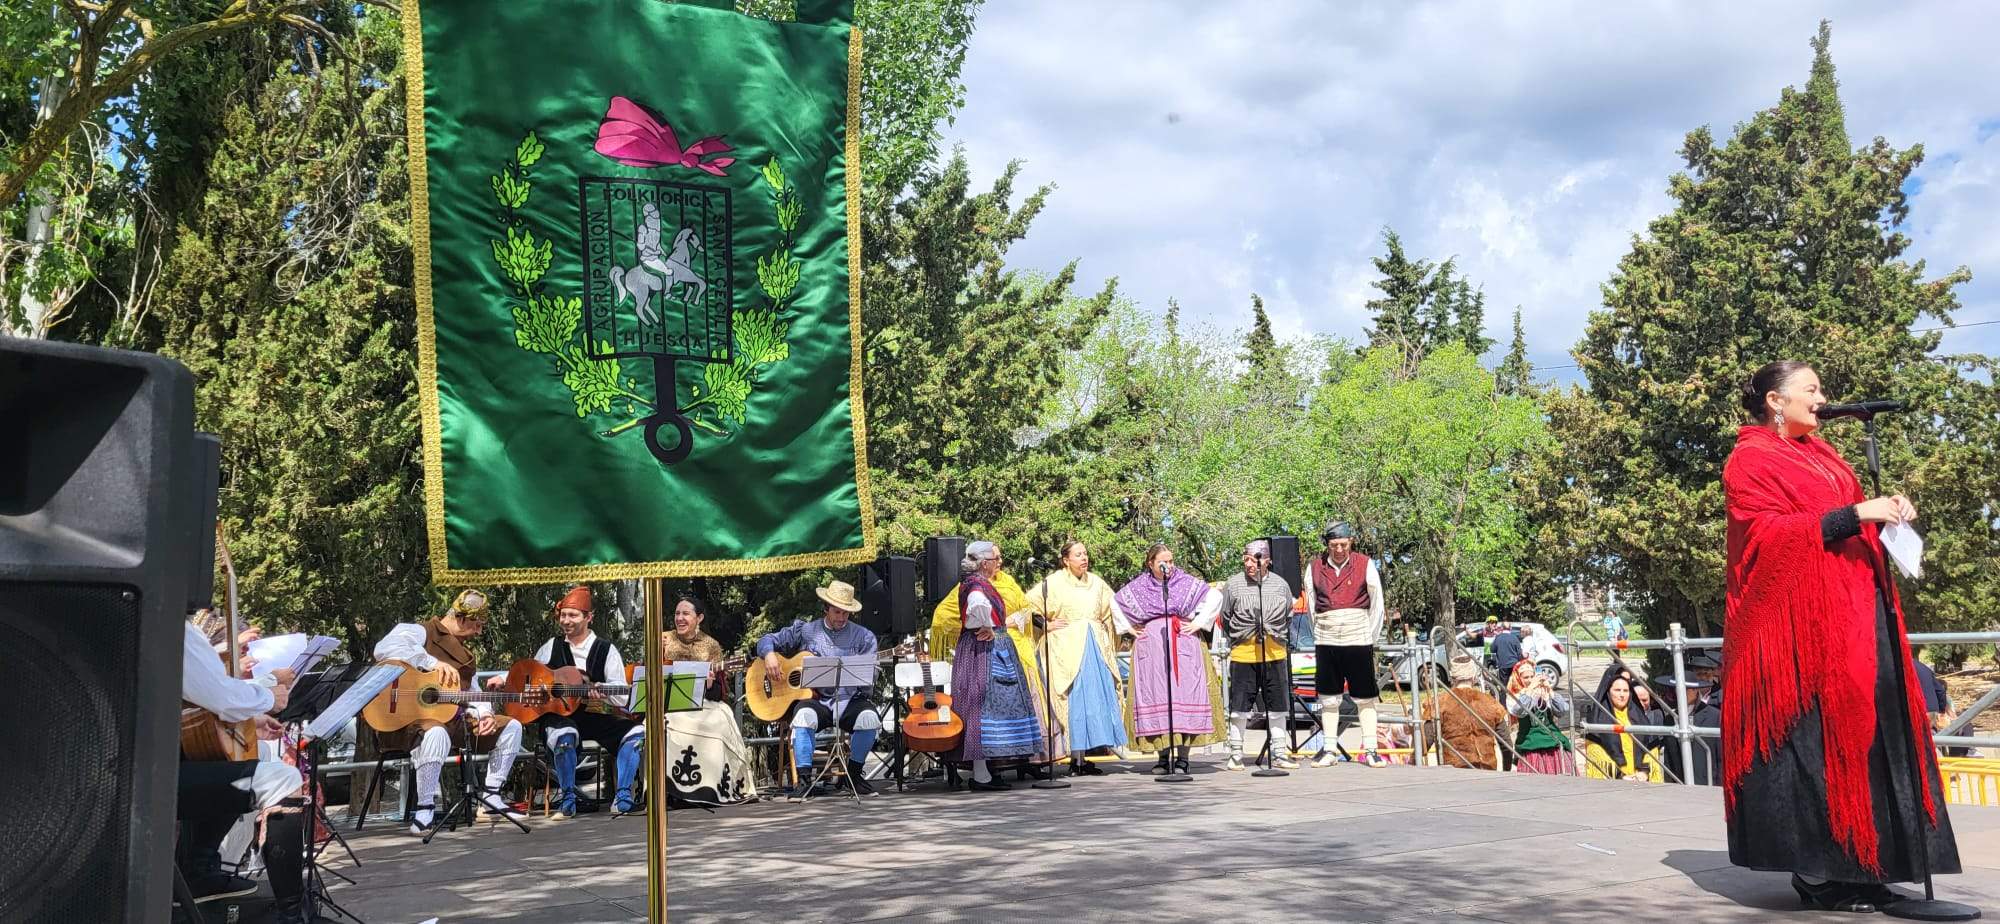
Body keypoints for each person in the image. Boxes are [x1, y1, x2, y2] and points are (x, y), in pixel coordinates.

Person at [1723, 361, 1959, 912]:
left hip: (1857, 610)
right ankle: (1823, 873)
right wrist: (1854, 513)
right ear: (1776, 401)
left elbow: (1849, 520)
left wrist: (1887, 513)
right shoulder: (1750, 459)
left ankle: (1872, 864)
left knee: (1878, 730)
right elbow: (1766, 536)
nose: (1822, 398)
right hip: (1801, 629)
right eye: (1811, 390)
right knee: (1815, 741)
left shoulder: (1826, 455)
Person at [178, 618, 319, 921]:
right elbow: (219, 694)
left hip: (124, 771)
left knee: (233, 765)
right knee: (282, 777)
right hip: (150, 780)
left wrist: (250, 719)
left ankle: (200, 867)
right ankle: (291, 915)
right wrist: (268, 694)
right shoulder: (171, 623)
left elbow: (189, 704)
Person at [372, 589, 528, 835]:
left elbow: (472, 690)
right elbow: (384, 647)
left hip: (455, 720)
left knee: (511, 727)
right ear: (462, 617)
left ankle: (491, 799)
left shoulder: (466, 655)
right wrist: (432, 663)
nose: (478, 631)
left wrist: (484, 714)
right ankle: (425, 809)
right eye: (477, 625)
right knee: (437, 734)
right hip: (408, 721)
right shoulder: (423, 631)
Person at [496, 585, 638, 816]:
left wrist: (603, 692)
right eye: (563, 615)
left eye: (572, 615)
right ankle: (568, 797)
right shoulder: (551, 647)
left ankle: (622, 796)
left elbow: (621, 694)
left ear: (588, 617)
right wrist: (504, 678)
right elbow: (531, 671)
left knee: (636, 734)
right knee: (564, 738)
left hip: (595, 716)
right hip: (558, 717)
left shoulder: (606, 650)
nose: (566, 620)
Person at [756, 579, 883, 798]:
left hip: (849, 699)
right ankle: (804, 781)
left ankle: (852, 776)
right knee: (804, 716)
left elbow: (868, 680)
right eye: (837, 612)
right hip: (816, 700)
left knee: (870, 719)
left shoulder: (864, 637)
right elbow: (767, 639)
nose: (841, 618)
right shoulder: (806, 631)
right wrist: (768, 654)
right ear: (826, 608)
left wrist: (868, 672)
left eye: (846, 613)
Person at [1114, 543, 1226, 775]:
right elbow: (1115, 602)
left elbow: (1215, 596)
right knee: (1157, 695)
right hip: (1152, 648)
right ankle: (1163, 757)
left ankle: (1183, 757)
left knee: (1183, 694)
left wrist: (1197, 623)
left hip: (1184, 643)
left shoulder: (1184, 582)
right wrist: (1128, 628)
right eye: (1163, 562)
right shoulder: (1140, 586)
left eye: (1172, 561)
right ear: (1151, 564)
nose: (1169, 566)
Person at [1020, 540, 1128, 776]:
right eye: (1078, 555)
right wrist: (1046, 624)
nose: (1084, 558)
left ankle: (1084, 757)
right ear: (1065, 560)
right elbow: (1028, 605)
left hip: (1094, 646)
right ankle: (1074, 756)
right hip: (1067, 648)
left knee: (1094, 700)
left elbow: (1115, 607)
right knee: (1074, 700)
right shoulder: (1054, 582)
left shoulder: (1097, 583)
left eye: (1085, 554)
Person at [947, 541, 1048, 790]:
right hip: (984, 652)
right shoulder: (977, 584)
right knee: (983, 709)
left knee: (988, 711)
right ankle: (982, 776)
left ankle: (986, 772)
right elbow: (977, 604)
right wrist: (986, 625)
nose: (999, 562)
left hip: (986, 649)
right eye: (996, 559)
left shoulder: (977, 582)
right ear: (984, 563)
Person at [652, 594, 758, 805]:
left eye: (686, 614)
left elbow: (719, 693)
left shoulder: (711, 646)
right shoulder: (662, 638)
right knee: (661, 725)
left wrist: (709, 685)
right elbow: (648, 674)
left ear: (699, 618)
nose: (680, 618)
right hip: (669, 704)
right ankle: (667, 790)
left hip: (704, 704)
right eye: (677, 614)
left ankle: (708, 789)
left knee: (716, 724)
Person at [1214, 540, 1302, 771]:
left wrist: (1272, 631)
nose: (1249, 564)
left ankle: (1280, 752)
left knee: (1278, 704)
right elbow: (1225, 618)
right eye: (1246, 559)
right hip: (1243, 653)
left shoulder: (1281, 585)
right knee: (1239, 706)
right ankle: (1235, 753)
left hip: (1274, 652)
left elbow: (1288, 616)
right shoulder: (1233, 585)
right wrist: (1242, 633)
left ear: (1267, 560)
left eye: (1254, 559)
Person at [1307, 522, 1389, 768]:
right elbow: (1312, 606)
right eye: (1334, 545)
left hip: (1358, 636)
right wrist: (1321, 632)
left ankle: (1372, 749)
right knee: (1328, 697)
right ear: (1327, 545)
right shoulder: (1313, 568)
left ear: (1351, 542)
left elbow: (1377, 603)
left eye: (1343, 544)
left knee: (1365, 696)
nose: (1339, 549)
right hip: (1326, 637)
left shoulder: (1365, 564)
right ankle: (1329, 748)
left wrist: (1369, 635)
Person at [1582, 673, 1661, 782]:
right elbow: (1595, 751)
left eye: (1626, 690)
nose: (1622, 694)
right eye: (1617, 690)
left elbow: (1650, 746)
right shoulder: (1598, 718)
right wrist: (1620, 775)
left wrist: (1644, 771)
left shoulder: (1639, 716)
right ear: (1608, 692)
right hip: (1611, 781)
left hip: (1640, 780)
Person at [1420, 671, 1506, 770]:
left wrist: (1412, 762)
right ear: (1473, 678)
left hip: (1455, 771)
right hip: (1487, 770)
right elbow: (1505, 741)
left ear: (1452, 679)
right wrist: (1506, 768)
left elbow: (1425, 740)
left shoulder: (1441, 702)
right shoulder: (1490, 702)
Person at [1506, 661, 1574, 775]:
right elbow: (1519, 711)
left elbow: (1561, 711)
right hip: (1530, 741)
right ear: (1518, 678)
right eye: (1526, 677)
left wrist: (1550, 690)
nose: (1530, 679)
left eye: (1532, 676)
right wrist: (1530, 689)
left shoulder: (1544, 692)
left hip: (1552, 739)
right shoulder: (1516, 696)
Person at [1659, 674, 1719, 786]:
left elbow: (1720, 757)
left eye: (1686, 689)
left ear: (1696, 690)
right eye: (1678, 689)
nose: (1682, 693)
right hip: (1680, 786)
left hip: (1709, 785)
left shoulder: (1714, 716)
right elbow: (1669, 758)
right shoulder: (1670, 718)